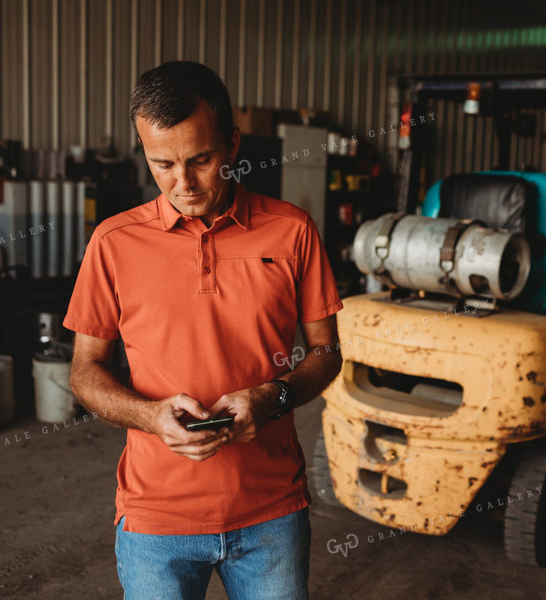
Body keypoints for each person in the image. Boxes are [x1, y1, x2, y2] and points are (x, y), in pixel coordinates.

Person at [64, 61, 343, 600]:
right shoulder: (113, 243)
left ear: (232, 143)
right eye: (161, 164)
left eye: (201, 160)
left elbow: (326, 351)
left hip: (271, 515)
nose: (183, 184)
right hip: (155, 520)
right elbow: (84, 371)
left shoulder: (292, 231)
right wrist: (150, 415)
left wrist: (273, 396)